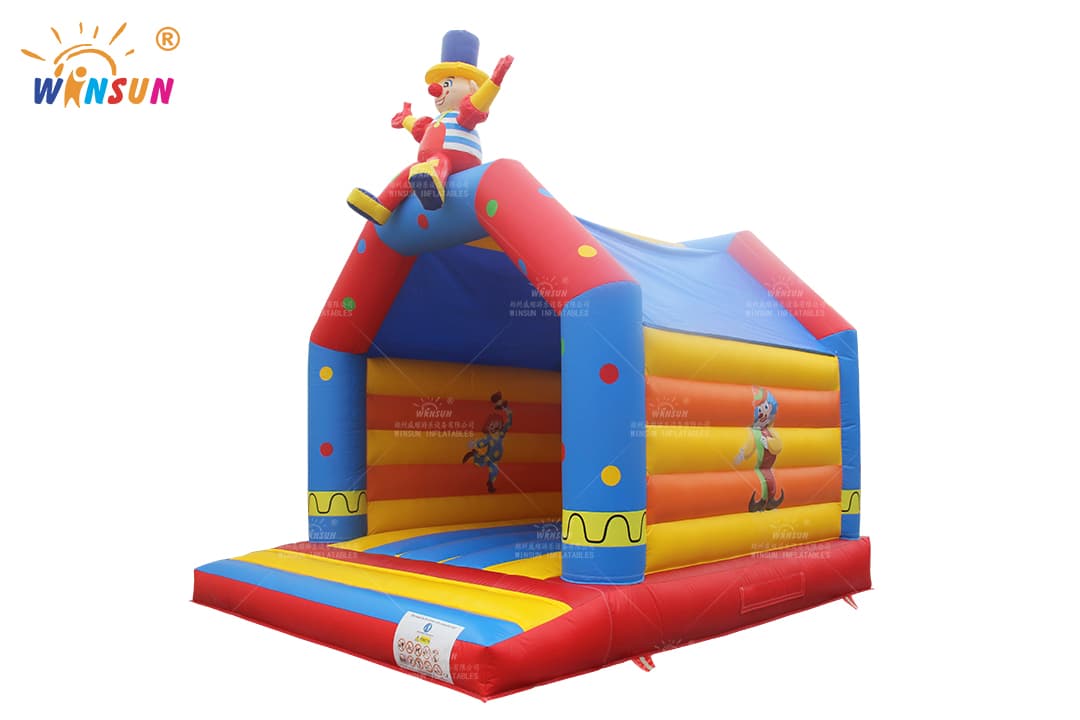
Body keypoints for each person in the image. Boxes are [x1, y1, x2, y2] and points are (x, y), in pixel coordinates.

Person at [347, 30, 513, 224]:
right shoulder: (439, 119)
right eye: (440, 84)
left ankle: (432, 189)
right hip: (426, 164)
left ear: (471, 87)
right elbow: (421, 129)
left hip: (452, 163)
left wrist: (494, 83)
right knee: (410, 171)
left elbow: (478, 105)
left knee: (437, 161)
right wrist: (406, 119)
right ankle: (381, 207)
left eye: (447, 83)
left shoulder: (463, 116)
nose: (437, 90)